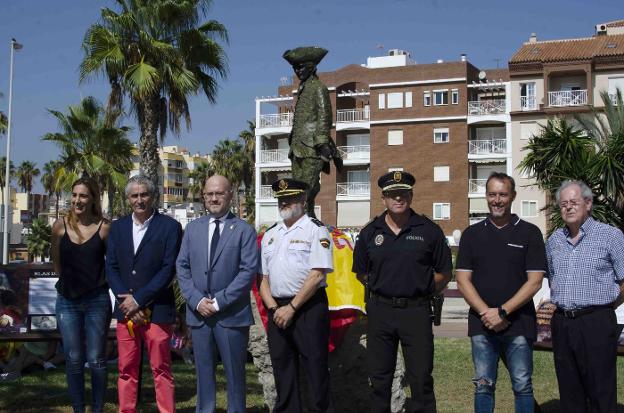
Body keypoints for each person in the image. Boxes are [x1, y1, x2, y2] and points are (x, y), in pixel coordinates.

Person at [352, 171, 452, 413]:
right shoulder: (370, 232)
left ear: (411, 195)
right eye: (392, 194)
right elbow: (361, 272)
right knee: (379, 380)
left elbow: (444, 272)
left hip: (416, 312)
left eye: (403, 193)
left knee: (421, 380)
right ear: (383, 198)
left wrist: (421, 290)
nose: (398, 198)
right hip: (380, 312)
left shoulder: (429, 230)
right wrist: (386, 288)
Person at [455, 172, 546, 413]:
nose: (497, 200)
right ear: (486, 196)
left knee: (523, 386)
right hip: (482, 325)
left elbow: (535, 282)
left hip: (519, 323)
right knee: (483, 386)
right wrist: (488, 313)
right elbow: (463, 281)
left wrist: (503, 311)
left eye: (503, 194)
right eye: (492, 194)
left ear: (513, 196)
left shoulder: (529, 233)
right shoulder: (471, 235)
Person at [176, 175, 258, 413]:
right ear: (203, 196)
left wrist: (219, 301)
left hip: (231, 316)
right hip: (199, 316)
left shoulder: (244, 230)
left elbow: (248, 270)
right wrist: (197, 300)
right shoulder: (192, 229)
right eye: (209, 193)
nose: (214, 198)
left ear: (230, 195)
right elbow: (182, 267)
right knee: (203, 375)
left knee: (235, 376)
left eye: (219, 193)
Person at [106, 175, 182, 413]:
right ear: (128, 199)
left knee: (161, 368)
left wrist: (139, 300)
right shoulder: (117, 228)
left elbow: (168, 268)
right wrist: (126, 301)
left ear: (152, 196)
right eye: (134, 195)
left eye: (144, 194)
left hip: (158, 310)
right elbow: (112, 267)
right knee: (126, 368)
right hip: (125, 311)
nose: (139, 200)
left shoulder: (170, 227)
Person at [546, 180, 624, 413]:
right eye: (563, 204)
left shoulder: (610, 236)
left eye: (574, 202)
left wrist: (606, 306)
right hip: (562, 323)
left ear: (588, 204)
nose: (568, 208)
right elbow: (552, 279)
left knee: (601, 391)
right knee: (569, 393)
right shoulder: (553, 241)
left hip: (596, 322)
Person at [259, 178, 334, 412]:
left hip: (307, 308)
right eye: (281, 199)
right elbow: (263, 280)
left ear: (303, 199)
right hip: (277, 310)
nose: (285, 202)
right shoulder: (271, 234)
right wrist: (274, 309)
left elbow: (317, 275)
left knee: (315, 371)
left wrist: (291, 308)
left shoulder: (316, 230)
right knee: (283, 371)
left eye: (290, 198)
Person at [50, 177, 112, 413]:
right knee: (74, 359)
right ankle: (78, 408)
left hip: (97, 301)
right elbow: (57, 263)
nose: (77, 200)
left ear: (93, 198)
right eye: (74, 195)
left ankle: (97, 409)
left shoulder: (105, 228)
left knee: (96, 359)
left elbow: (111, 264)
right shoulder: (59, 226)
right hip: (67, 301)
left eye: (83, 195)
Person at [283, 46, 342, 218]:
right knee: (298, 188)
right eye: (295, 68)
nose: (297, 71)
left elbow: (325, 115)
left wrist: (322, 142)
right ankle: (302, 220)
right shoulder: (304, 88)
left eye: (301, 67)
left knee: (306, 190)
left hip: (312, 148)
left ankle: (305, 222)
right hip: (297, 148)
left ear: (312, 67)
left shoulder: (318, 87)